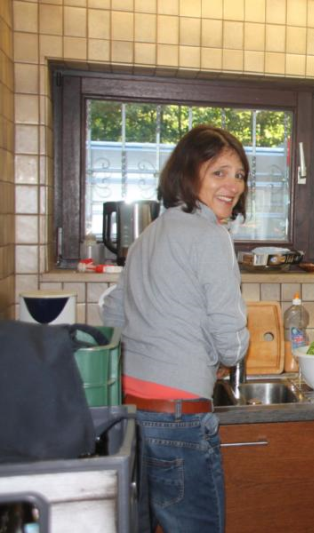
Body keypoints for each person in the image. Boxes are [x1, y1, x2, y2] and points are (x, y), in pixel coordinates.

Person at [103, 125, 250, 533]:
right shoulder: (211, 236)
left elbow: (113, 313)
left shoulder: (149, 234)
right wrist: (228, 352)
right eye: (219, 172)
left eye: (239, 175)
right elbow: (231, 341)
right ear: (188, 172)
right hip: (180, 419)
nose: (233, 185)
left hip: (133, 416)